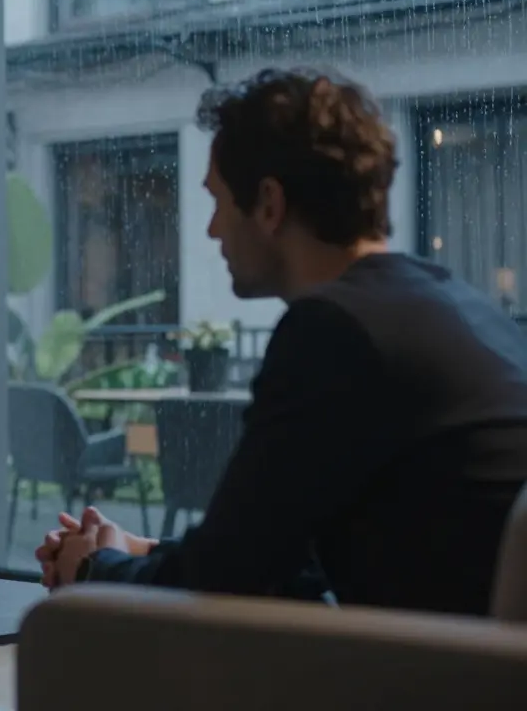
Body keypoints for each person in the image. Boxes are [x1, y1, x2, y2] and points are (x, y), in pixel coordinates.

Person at [36, 67, 527, 617]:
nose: (212, 230)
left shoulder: (334, 331)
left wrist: (91, 569)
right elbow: (283, 556)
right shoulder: (450, 305)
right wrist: (138, 551)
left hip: (444, 666)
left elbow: (220, 588)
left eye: (218, 202)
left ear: (269, 203)